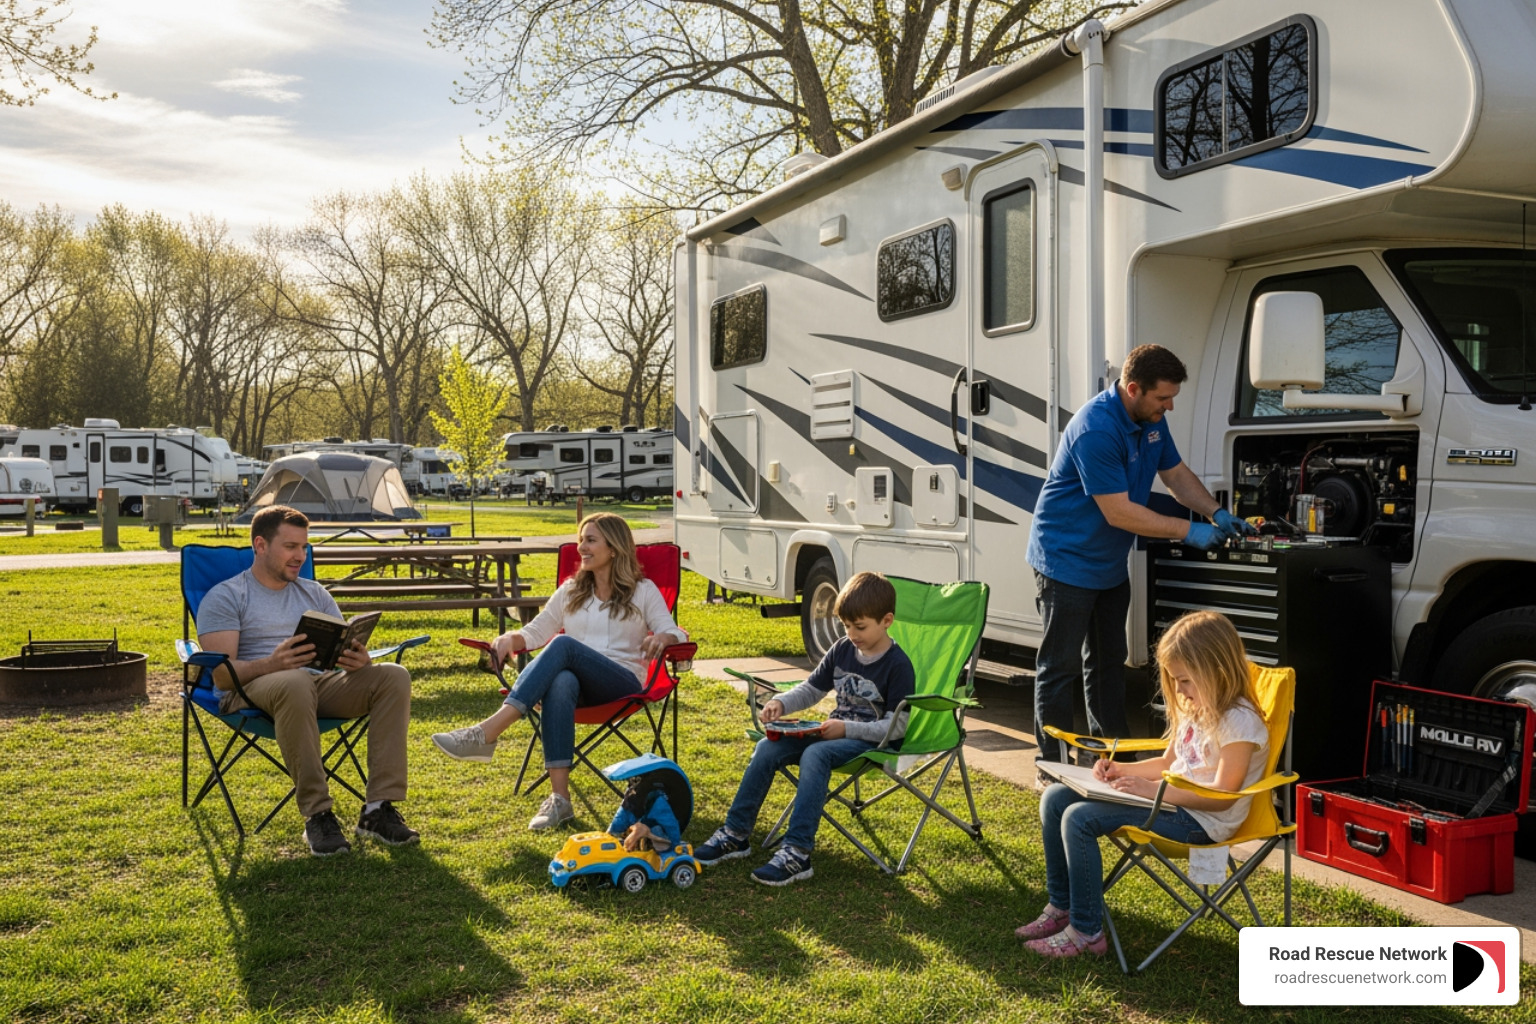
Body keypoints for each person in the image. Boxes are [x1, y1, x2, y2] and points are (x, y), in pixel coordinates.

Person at [1025, 344, 1256, 763]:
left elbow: (1176, 474)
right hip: (1065, 560)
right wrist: (1189, 530)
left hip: (1108, 565)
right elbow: (1118, 512)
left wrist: (1216, 511)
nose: (1168, 407)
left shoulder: (1151, 419)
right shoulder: (1096, 429)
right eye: (1163, 398)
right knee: (1060, 668)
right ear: (1133, 389)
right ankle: (1053, 764)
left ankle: (1112, 758)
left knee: (1108, 663)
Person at [1019, 610, 1270, 957]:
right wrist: (1121, 770)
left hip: (1202, 822)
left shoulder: (1239, 722)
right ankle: (1061, 906)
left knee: (1079, 818)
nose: (1179, 690)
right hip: (1169, 804)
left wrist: (1154, 791)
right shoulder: (1198, 706)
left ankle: (1087, 933)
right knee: (1055, 797)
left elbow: (1223, 796)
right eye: (1175, 680)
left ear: (1216, 669)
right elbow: (1170, 763)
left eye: (1184, 680)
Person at [430, 512, 688, 830]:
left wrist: (664, 637)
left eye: (590, 540)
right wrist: (510, 638)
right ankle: (560, 801)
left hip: (623, 683)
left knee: (563, 646)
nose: (581, 548)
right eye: (580, 540)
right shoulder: (571, 590)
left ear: (614, 548)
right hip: (578, 688)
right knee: (562, 680)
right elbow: (536, 632)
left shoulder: (643, 591)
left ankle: (487, 732)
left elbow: (676, 634)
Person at [196, 504, 418, 857]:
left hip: (318, 684)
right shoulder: (227, 596)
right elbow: (222, 676)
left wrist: (356, 661)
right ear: (261, 545)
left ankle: (378, 811)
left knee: (393, 676)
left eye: (304, 547)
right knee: (294, 681)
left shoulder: (314, 593)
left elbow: (339, 651)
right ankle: (318, 813)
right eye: (290, 547)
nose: (300, 556)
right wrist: (273, 662)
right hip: (254, 689)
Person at [693, 571, 915, 886]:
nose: (852, 633)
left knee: (815, 754)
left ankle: (797, 852)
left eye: (860, 627)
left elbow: (897, 728)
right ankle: (736, 833)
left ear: (887, 620)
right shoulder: (842, 649)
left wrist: (847, 729)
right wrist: (782, 703)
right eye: (846, 626)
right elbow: (812, 689)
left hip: (871, 743)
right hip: (833, 732)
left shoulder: (898, 665)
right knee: (767, 747)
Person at [607, 771, 683, 854]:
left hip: (658, 834)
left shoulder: (656, 801)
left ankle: (658, 850)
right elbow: (618, 822)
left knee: (658, 834)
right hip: (644, 818)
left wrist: (674, 847)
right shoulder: (632, 798)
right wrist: (609, 835)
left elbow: (671, 830)